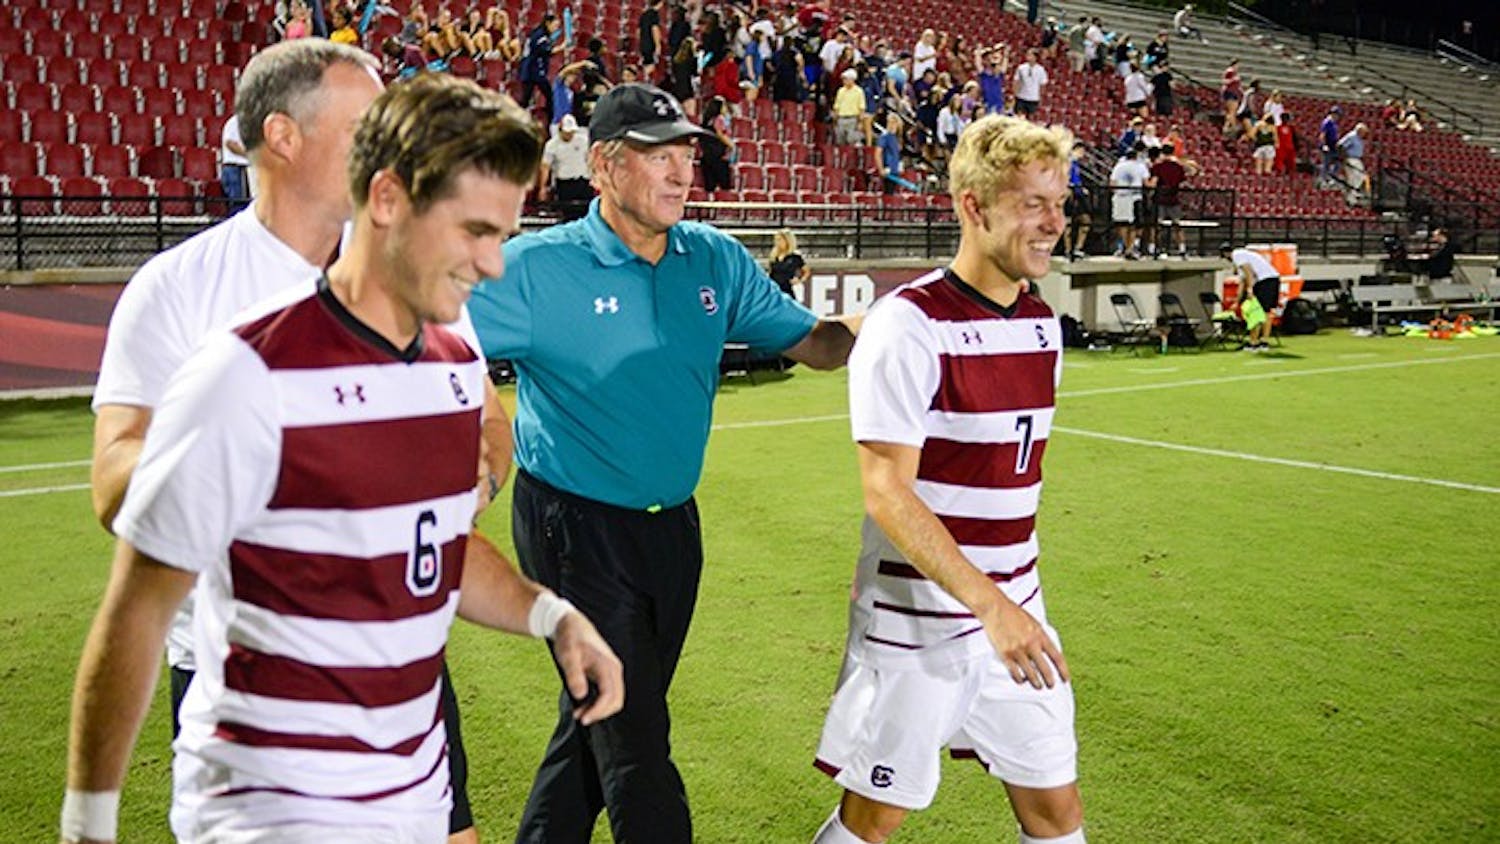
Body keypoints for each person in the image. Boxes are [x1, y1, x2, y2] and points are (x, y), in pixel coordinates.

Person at [63, 72, 624, 844]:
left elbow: (437, 544)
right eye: (474, 231)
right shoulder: (246, 373)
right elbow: (137, 612)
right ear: (386, 200)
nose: (493, 264)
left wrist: (551, 615)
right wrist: (87, 825)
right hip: (274, 807)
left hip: (412, 789)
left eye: (502, 235)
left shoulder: (452, 362)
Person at [464, 82, 861, 844]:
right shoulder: (536, 269)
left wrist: (893, 322)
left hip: (673, 530)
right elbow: (428, 332)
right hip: (574, 528)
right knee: (635, 740)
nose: (682, 174)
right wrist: (482, 417)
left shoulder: (713, 258)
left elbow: (816, 345)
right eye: (659, 157)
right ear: (604, 166)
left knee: (599, 723)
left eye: (687, 156)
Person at [810, 114, 1084, 844]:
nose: (1054, 223)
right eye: (1033, 204)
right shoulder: (909, 326)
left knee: (1055, 810)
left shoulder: (1041, 325)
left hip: (1017, 609)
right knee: (876, 818)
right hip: (918, 622)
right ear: (974, 206)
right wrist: (991, 607)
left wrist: (1009, 606)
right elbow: (886, 492)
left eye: (1059, 204)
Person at [1221, 241, 1280, 350]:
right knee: (1266, 312)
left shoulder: (1237, 255)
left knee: (1256, 312)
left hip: (1264, 281)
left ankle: (1254, 342)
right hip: (1272, 279)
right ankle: (1263, 342)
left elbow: (1249, 272)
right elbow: (1243, 281)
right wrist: (1237, 301)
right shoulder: (1244, 255)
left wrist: (1250, 290)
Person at [540, 114, 592, 219]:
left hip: (583, 182)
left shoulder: (583, 141)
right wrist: (543, 187)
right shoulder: (552, 145)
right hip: (565, 184)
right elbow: (545, 166)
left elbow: (590, 160)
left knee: (585, 213)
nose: (569, 135)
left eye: (571, 132)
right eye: (567, 132)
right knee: (568, 215)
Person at [1148, 143, 1189, 257]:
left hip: (1160, 199)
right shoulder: (1178, 167)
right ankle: (1182, 248)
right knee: (1177, 224)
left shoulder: (1158, 167)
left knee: (1156, 225)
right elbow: (1183, 182)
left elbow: (1154, 183)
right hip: (1173, 198)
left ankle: (1152, 248)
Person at [1109, 142, 1149, 259]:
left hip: (1120, 197)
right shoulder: (1141, 166)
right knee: (1135, 225)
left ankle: (1125, 247)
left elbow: (1112, 183)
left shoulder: (1118, 166)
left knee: (1122, 223)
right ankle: (1131, 248)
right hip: (1135, 197)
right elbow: (1146, 182)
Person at [1063, 142, 1091, 260]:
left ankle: (1078, 248)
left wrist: (1081, 188)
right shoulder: (1067, 163)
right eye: (1080, 151)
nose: (1082, 154)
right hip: (1070, 195)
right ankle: (1068, 250)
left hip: (1079, 195)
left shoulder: (1076, 165)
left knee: (1086, 221)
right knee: (1068, 223)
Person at [218, 113, 249, 213]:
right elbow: (230, 143)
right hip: (235, 168)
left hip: (240, 168)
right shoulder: (234, 122)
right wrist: (249, 154)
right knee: (238, 203)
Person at [769, 227, 812, 297]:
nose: (777, 242)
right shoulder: (774, 255)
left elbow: (807, 271)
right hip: (774, 291)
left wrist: (799, 280)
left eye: (779, 240)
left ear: (787, 240)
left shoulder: (795, 256)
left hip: (787, 290)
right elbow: (771, 272)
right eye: (776, 240)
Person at [1338, 122, 1369, 205]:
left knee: (1361, 177)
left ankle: (1354, 195)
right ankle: (1351, 198)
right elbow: (1341, 145)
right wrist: (1344, 158)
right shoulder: (1352, 136)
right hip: (1351, 159)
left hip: (1357, 160)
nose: (1364, 134)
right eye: (1364, 132)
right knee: (1352, 179)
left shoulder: (1359, 138)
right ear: (1359, 130)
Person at [1012, 48, 1047, 118]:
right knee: (1019, 117)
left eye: (1030, 55)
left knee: (1030, 118)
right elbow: (1016, 81)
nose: (1028, 56)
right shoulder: (1021, 68)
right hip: (1021, 97)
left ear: (1035, 57)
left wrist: (1040, 97)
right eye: (1027, 54)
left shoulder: (1041, 70)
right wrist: (1015, 93)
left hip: (1033, 98)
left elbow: (1043, 84)